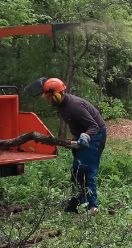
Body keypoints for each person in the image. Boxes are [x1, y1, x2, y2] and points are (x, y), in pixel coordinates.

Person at [41, 77, 107, 214]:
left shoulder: (74, 106)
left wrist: (85, 136)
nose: (48, 101)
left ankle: (92, 207)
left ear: (58, 94)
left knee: (87, 170)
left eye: (50, 97)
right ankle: (80, 202)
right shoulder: (60, 105)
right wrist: (77, 137)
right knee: (77, 171)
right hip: (81, 135)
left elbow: (93, 126)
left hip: (95, 135)